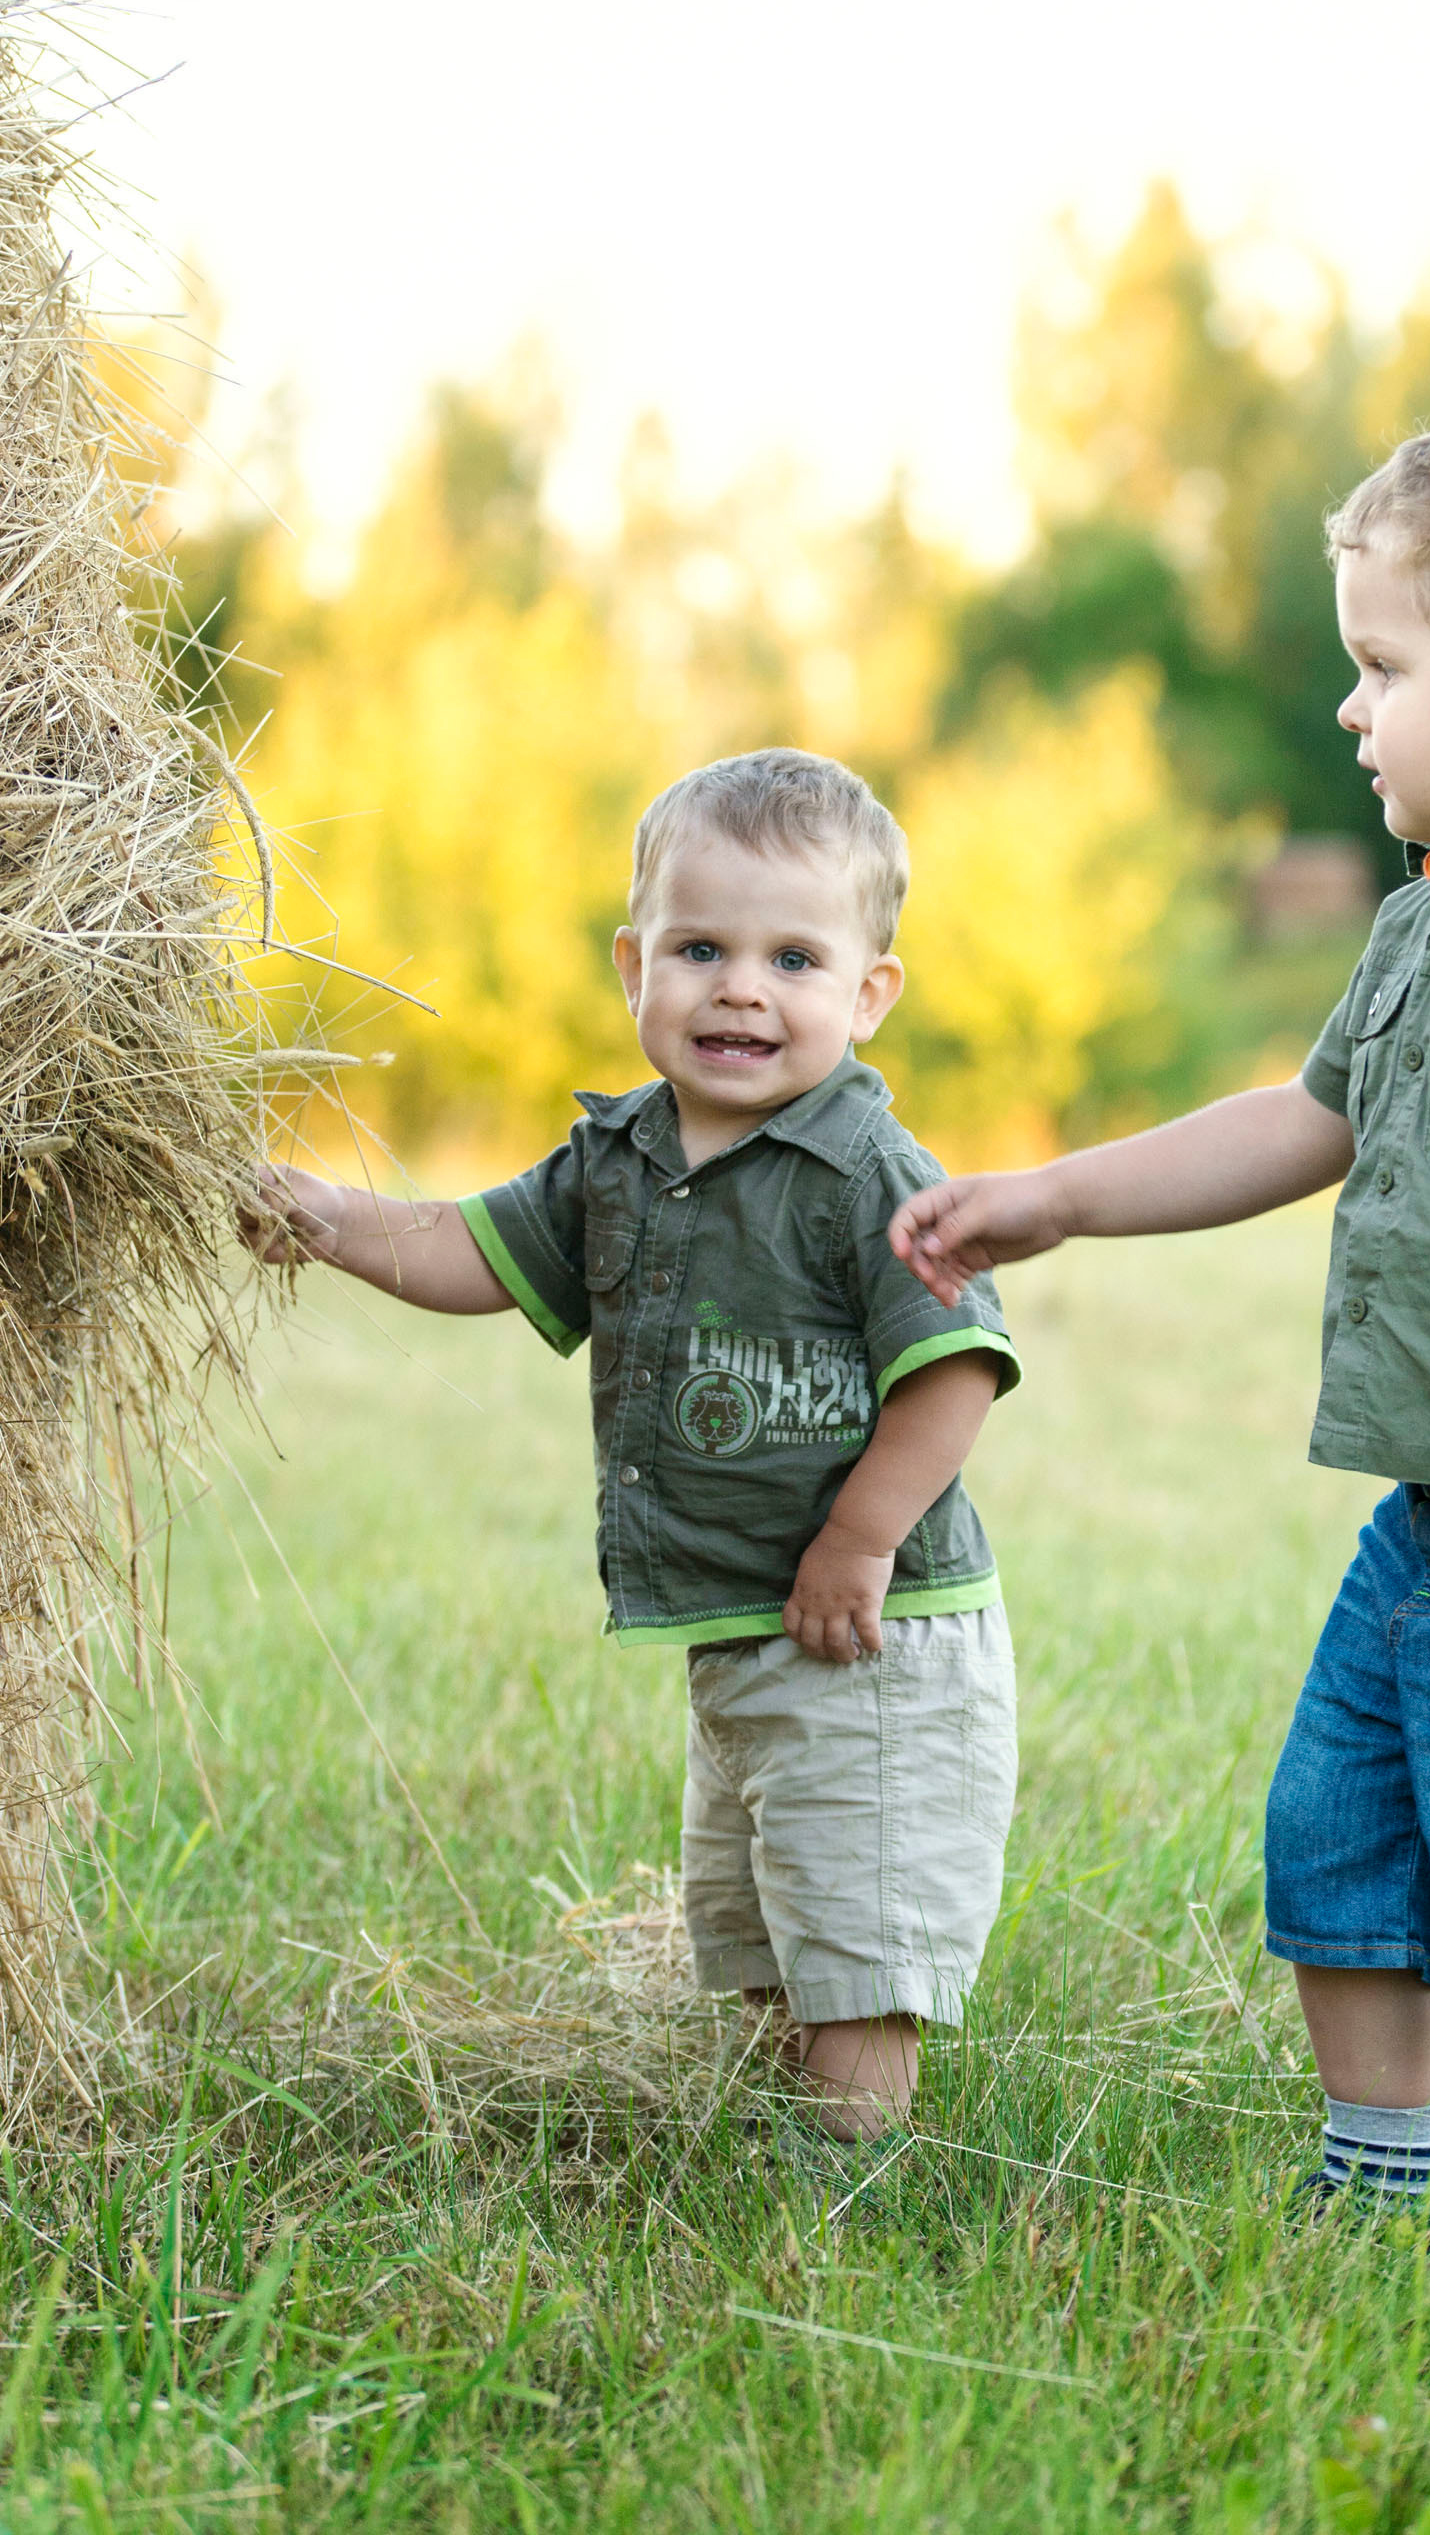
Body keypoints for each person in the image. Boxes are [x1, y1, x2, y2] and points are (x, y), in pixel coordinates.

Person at [890, 399, 1430, 2265]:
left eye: (1383, 669)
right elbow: (1309, 1121)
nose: (1354, 711)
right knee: (1347, 1843)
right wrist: (1054, 1196)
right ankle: (1378, 2192)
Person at [248, 749, 1021, 2147]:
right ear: (634, 965)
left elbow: (954, 1368)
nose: (740, 986)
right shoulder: (617, 1159)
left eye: (794, 957)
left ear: (868, 992)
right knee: (761, 1921)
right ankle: (783, 2123)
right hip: (739, 1624)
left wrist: (861, 1540)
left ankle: (852, 2185)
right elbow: (468, 1251)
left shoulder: (870, 1174)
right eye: (700, 947)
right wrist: (327, 1218)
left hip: (876, 1632)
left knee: (853, 1935)